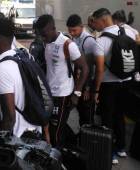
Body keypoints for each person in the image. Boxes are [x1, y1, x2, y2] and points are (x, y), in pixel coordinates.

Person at [0, 18, 49, 140]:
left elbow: (10, 117)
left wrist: (1, 140)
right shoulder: (24, 56)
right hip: (35, 130)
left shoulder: (1, 68)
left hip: (18, 137)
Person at [35, 15, 89, 148]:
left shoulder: (67, 45)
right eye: (40, 35)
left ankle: (58, 159)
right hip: (48, 93)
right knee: (53, 127)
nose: (42, 38)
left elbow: (85, 68)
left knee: (56, 132)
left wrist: (77, 94)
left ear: (53, 28)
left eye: (44, 34)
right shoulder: (46, 43)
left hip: (63, 95)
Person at [92, 8, 137, 164]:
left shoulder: (101, 40)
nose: (94, 24)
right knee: (120, 115)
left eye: (95, 21)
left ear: (103, 20)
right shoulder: (130, 32)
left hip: (109, 85)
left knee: (107, 117)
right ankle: (121, 148)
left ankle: (109, 152)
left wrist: (96, 91)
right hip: (127, 82)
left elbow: (99, 69)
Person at [66, 14, 104, 126]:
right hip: (80, 81)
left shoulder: (88, 41)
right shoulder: (76, 38)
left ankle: (88, 138)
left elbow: (91, 67)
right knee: (81, 112)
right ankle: (82, 136)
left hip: (87, 84)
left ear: (81, 27)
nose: (72, 33)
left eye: (74, 30)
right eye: (69, 31)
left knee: (87, 113)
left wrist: (87, 88)